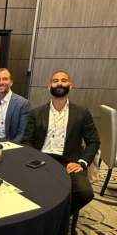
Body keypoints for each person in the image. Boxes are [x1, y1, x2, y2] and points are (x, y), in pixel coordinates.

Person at [22, 71, 100, 214]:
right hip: (41, 160)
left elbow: (93, 142)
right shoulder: (36, 113)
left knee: (85, 193)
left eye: (63, 81)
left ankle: (57, 217)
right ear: (49, 87)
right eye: (55, 81)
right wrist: (34, 158)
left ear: (70, 86)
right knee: (22, 187)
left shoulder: (82, 112)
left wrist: (81, 163)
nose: (59, 84)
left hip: (70, 163)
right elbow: (27, 141)